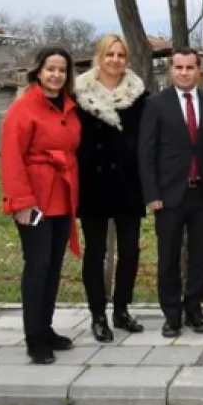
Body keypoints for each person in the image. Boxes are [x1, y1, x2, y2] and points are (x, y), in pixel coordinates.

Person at [0, 46, 82, 364]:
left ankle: (45, 327)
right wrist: (21, 203)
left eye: (62, 70)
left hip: (61, 198)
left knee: (53, 266)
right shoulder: (23, 109)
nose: (56, 75)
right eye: (51, 69)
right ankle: (34, 337)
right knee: (37, 265)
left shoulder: (69, 107)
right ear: (38, 71)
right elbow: (11, 159)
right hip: (33, 201)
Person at [139, 48, 203, 338]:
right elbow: (146, 152)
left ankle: (194, 309)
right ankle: (171, 315)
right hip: (169, 194)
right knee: (169, 256)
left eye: (190, 67)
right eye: (179, 68)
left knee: (200, 255)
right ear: (170, 70)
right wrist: (152, 193)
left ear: (199, 70)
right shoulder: (156, 104)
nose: (184, 73)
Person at [73, 34, 149, 342]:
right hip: (92, 181)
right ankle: (97, 315)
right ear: (99, 57)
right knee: (96, 251)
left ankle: (121, 309)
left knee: (130, 251)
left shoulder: (138, 94)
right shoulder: (79, 92)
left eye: (120, 55)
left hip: (128, 182)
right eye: (110, 54)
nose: (115, 60)